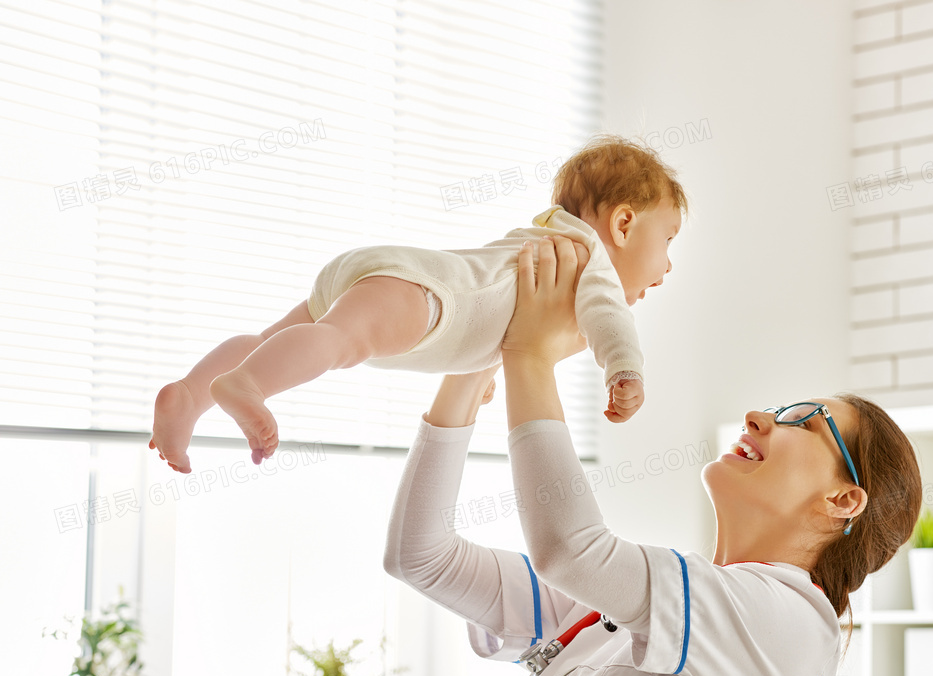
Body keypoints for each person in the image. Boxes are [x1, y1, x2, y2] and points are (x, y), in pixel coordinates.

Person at [383, 236, 923, 676]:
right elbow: (421, 557)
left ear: (843, 500)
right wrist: (475, 362)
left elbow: (572, 550)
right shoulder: (629, 609)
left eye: (804, 421)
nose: (760, 416)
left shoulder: (794, 623)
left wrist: (530, 354)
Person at [148, 136, 686, 473]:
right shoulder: (584, 256)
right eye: (667, 241)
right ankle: (248, 385)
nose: (667, 267)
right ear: (622, 224)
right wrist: (624, 368)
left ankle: (190, 397)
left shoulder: (544, 238)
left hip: (395, 276)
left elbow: (495, 313)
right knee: (339, 344)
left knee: (276, 342)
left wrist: (480, 367)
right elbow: (608, 316)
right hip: (429, 299)